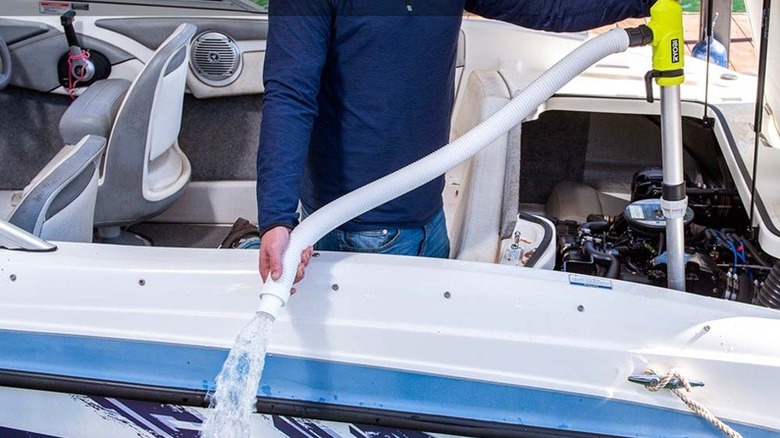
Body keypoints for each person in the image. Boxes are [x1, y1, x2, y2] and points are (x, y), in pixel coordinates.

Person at [256, 0, 655, 284]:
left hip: (429, 216)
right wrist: (277, 219)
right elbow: (290, 96)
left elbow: (548, 7)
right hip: (360, 230)